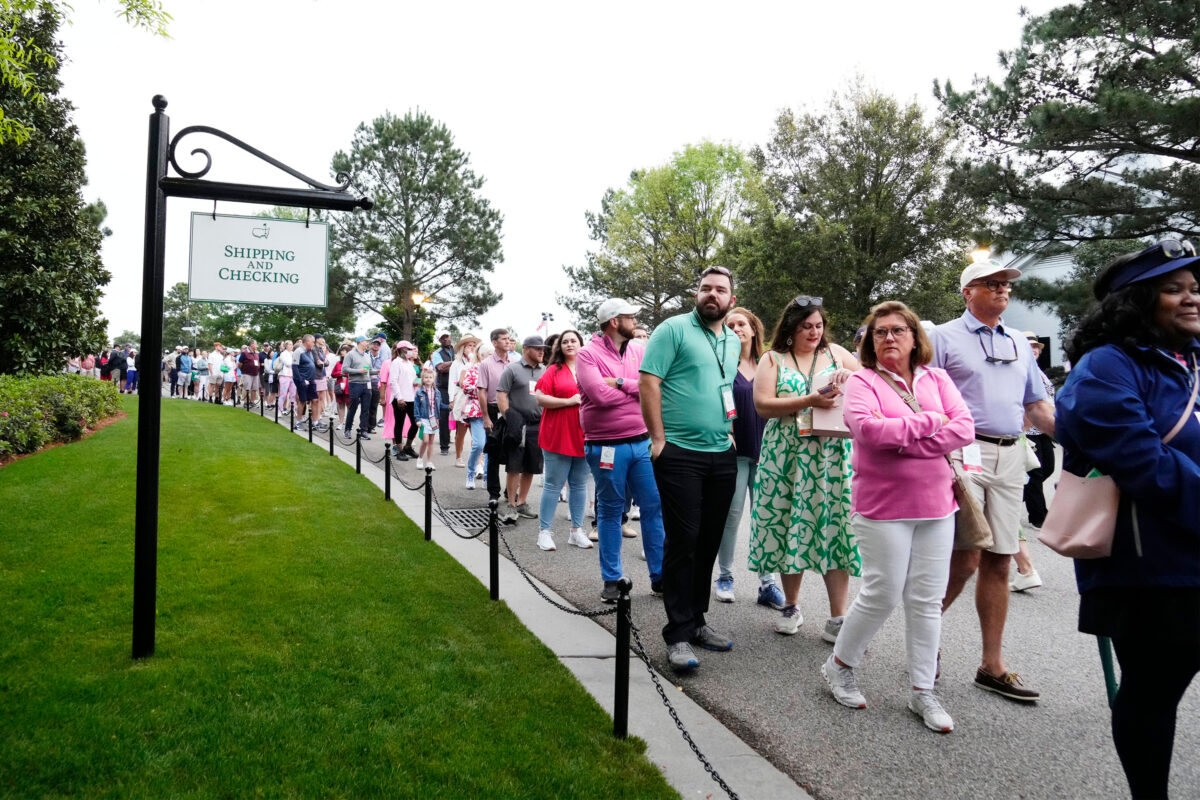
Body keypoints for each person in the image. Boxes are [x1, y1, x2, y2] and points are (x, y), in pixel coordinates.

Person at [1055, 240, 1199, 800]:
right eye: (1174, 289)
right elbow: (1144, 463)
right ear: (1137, 301)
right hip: (1149, 567)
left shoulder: (1190, 360)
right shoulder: (1105, 368)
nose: (1191, 299)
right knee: (1153, 692)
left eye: (1194, 288)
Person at [823, 301, 974, 733]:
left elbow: (963, 427)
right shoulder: (862, 382)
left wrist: (906, 439)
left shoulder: (938, 378)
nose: (889, 338)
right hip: (882, 507)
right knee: (882, 593)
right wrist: (930, 422)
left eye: (898, 330)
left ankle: (923, 690)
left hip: (937, 506)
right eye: (880, 332)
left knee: (926, 601)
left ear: (914, 337)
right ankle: (839, 665)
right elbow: (869, 432)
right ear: (871, 342)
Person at [930, 258, 1055, 702]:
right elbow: (921, 395)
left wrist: (1082, 444)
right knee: (965, 559)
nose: (1003, 290)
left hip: (1010, 453)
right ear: (968, 292)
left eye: (1006, 284)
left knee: (1001, 560)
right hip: (962, 452)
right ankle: (927, 642)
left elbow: (1038, 407)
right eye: (992, 284)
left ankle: (992, 665)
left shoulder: (1020, 341)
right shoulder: (942, 336)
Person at [640, 266, 740, 673]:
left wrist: (730, 430)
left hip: (721, 453)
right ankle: (678, 634)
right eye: (705, 288)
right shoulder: (673, 330)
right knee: (684, 539)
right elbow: (649, 383)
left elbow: (726, 387)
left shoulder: (732, 339)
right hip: (679, 451)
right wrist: (658, 438)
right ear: (696, 294)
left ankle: (697, 621)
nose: (711, 294)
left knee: (709, 541)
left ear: (731, 299)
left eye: (720, 289)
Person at [749, 295, 860, 640]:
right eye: (805, 326)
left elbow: (870, 389)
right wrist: (809, 401)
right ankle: (792, 606)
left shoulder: (837, 354)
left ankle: (838, 616)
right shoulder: (773, 359)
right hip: (785, 457)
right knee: (787, 525)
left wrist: (849, 380)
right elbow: (763, 405)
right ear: (791, 328)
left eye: (818, 326)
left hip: (831, 457)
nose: (814, 332)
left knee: (835, 527)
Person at [577, 301, 666, 601]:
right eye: (631, 317)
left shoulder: (640, 349)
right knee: (612, 511)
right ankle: (612, 580)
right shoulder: (587, 354)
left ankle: (660, 576)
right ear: (614, 322)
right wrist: (636, 389)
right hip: (605, 446)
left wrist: (619, 382)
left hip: (640, 442)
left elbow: (653, 386)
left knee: (653, 507)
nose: (635, 320)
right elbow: (599, 396)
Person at [714, 307, 784, 608]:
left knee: (766, 518)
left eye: (742, 323)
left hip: (768, 452)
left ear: (754, 329)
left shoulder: (770, 364)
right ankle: (725, 577)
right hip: (735, 453)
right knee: (731, 517)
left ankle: (768, 583)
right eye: (730, 324)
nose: (736, 328)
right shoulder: (721, 365)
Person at [534, 329, 591, 551]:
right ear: (560, 347)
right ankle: (544, 532)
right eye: (565, 341)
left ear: (580, 344)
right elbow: (540, 397)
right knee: (553, 485)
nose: (569, 344)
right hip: (557, 433)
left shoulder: (589, 369)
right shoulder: (554, 370)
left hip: (584, 434)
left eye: (573, 341)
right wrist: (568, 402)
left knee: (579, 485)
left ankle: (576, 531)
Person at [1012, 330, 1054, 592]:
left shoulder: (1037, 371)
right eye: (1030, 346)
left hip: (1034, 432)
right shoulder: (1018, 368)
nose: (1035, 350)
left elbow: (1040, 405)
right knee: (1033, 478)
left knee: (1044, 470)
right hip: (1020, 435)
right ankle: (1039, 516)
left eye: (1037, 347)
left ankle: (1025, 567)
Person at [495, 336, 547, 523]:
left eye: (543, 348)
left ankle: (522, 502)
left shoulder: (545, 370)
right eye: (537, 348)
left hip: (538, 424)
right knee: (515, 466)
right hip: (519, 425)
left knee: (532, 466)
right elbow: (501, 394)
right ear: (526, 349)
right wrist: (510, 418)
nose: (542, 351)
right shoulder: (513, 369)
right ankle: (510, 503)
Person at [479, 328, 520, 500]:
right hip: (493, 410)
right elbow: (482, 392)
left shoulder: (515, 363)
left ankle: (510, 492)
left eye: (509, 338)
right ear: (494, 342)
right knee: (494, 453)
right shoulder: (486, 364)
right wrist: (486, 416)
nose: (507, 341)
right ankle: (493, 493)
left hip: (511, 410)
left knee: (514, 452)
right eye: (503, 339)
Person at [449, 335, 481, 467]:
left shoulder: (479, 363)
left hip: (475, 399)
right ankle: (458, 456)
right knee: (461, 430)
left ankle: (478, 460)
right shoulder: (456, 363)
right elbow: (452, 382)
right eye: (469, 346)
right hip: (461, 398)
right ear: (463, 348)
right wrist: (451, 399)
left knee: (476, 431)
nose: (472, 348)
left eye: (474, 346)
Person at [386, 341, 415, 461]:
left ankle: (408, 446)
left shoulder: (409, 363)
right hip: (400, 398)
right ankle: (399, 449)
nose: (410, 351)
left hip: (411, 397)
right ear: (401, 350)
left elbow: (410, 379)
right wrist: (399, 397)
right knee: (400, 423)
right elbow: (393, 381)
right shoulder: (396, 362)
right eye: (407, 349)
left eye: (410, 349)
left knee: (415, 422)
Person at [342, 336, 373, 440]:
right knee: (353, 408)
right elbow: (345, 369)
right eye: (366, 341)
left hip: (367, 384)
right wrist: (359, 371)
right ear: (360, 342)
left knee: (365, 409)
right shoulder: (350, 354)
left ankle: (363, 430)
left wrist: (378, 371)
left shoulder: (368, 355)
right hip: (355, 384)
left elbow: (370, 370)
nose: (367, 343)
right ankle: (347, 429)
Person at [430, 332, 455, 456]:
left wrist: (450, 364)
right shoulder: (437, 353)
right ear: (439, 340)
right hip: (443, 388)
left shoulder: (456, 351)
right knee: (444, 417)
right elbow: (441, 368)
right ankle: (444, 446)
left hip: (457, 387)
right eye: (443, 338)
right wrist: (456, 363)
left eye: (447, 337)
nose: (446, 339)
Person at [413, 367, 442, 469]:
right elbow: (416, 407)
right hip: (424, 418)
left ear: (434, 379)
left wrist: (450, 407)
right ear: (422, 379)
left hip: (434, 419)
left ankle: (429, 462)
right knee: (425, 440)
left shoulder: (437, 392)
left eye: (430, 377)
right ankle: (420, 458)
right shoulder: (419, 392)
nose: (428, 379)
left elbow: (440, 405)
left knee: (431, 442)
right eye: (426, 377)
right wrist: (418, 419)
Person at [367, 334, 387, 432]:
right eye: (374, 344)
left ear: (380, 347)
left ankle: (371, 426)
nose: (375, 346)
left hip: (376, 383)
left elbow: (384, 371)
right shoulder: (366, 356)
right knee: (366, 405)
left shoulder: (382, 359)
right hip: (366, 382)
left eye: (378, 345)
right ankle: (364, 427)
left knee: (374, 405)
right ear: (370, 345)